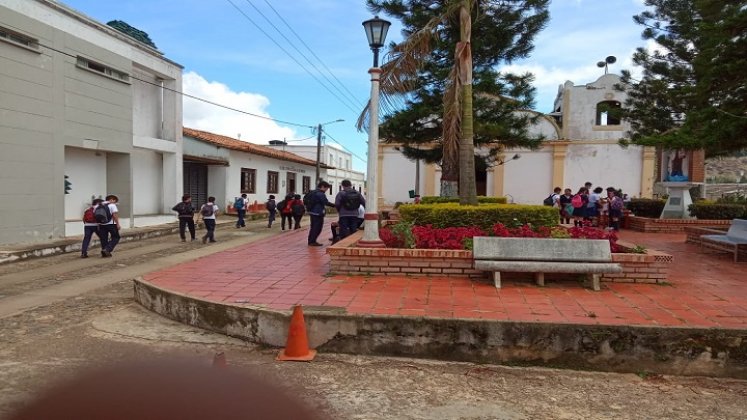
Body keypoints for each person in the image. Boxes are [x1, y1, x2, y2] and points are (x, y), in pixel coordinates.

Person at [306, 181, 334, 246]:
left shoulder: (314, 192)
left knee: (313, 227)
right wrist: (335, 205)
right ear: (322, 187)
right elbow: (325, 202)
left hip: (313, 212)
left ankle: (311, 241)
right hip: (318, 213)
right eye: (326, 188)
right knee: (317, 227)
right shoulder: (320, 194)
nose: (326, 190)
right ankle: (312, 241)